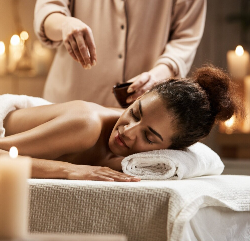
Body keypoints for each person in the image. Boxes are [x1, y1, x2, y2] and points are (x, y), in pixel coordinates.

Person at [0, 66, 242, 182]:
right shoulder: (86, 125)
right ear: (137, 99)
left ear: (170, 149)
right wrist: (69, 170)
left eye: (149, 137)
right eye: (135, 113)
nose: (127, 131)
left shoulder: (140, 161)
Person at [34, 0, 207, 107]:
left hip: (140, 117)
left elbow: (185, 38)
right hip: (67, 105)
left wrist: (158, 76)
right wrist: (65, 24)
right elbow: (48, 10)